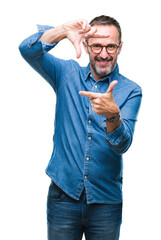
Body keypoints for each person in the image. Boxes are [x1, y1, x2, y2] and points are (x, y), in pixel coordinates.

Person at [19, 15, 142, 240]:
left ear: (120, 48)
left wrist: (112, 115)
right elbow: (27, 50)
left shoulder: (131, 90)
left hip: (106, 201)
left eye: (111, 46)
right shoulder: (67, 74)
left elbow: (122, 145)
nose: (104, 54)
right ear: (86, 45)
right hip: (63, 196)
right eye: (97, 45)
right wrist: (62, 30)